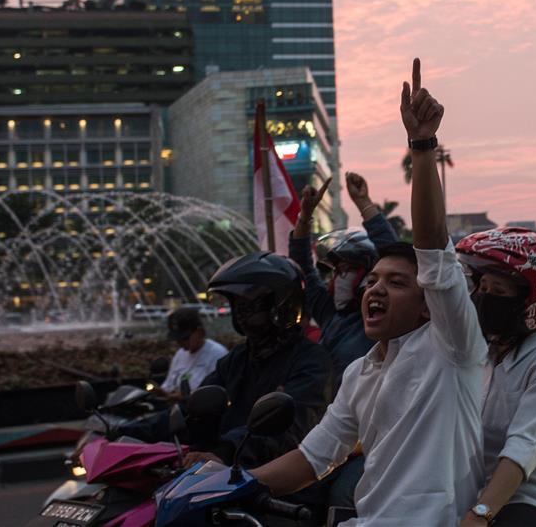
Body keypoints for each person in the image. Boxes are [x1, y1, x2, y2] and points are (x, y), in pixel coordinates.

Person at [249, 58, 488, 526]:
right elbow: (313, 457)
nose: (372, 289)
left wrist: (421, 148)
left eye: (396, 283)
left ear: (429, 305)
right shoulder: (361, 372)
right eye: (372, 280)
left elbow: (433, 251)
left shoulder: (451, 346)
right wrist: (231, 482)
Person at [456, 227, 536, 527]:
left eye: (498, 292)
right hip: (478, 496)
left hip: (533, 504)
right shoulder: (478, 357)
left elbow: (522, 450)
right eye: (482, 288)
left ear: (530, 302)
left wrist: (480, 514)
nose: (485, 298)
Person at [180, 252, 333, 468]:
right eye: (237, 304)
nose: (241, 312)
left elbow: (290, 429)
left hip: (278, 483)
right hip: (219, 473)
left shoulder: (311, 362)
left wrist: (227, 451)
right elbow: (192, 408)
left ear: (280, 304)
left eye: (249, 304)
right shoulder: (236, 359)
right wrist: (128, 429)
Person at [289, 170, 399, 382]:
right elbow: (303, 267)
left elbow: (394, 254)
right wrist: (304, 216)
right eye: (337, 270)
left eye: (348, 268)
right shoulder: (330, 316)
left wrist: (363, 203)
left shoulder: (379, 320)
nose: (340, 277)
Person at [157, 307, 228, 401]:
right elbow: (168, 385)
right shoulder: (180, 354)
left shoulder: (217, 354)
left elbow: (215, 393)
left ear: (200, 332)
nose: (181, 343)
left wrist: (186, 397)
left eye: (185, 338)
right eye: (177, 340)